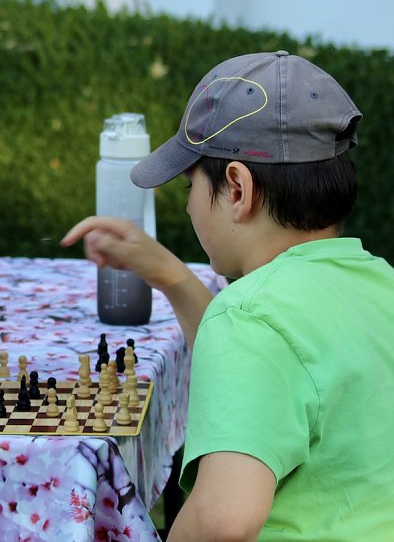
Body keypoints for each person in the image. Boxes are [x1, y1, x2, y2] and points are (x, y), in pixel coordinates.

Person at [63, 51, 394, 540]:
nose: (192, 205)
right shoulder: (378, 282)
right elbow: (263, 380)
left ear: (237, 188)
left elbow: (223, 520)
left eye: (190, 186)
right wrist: (170, 274)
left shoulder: (249, 318)